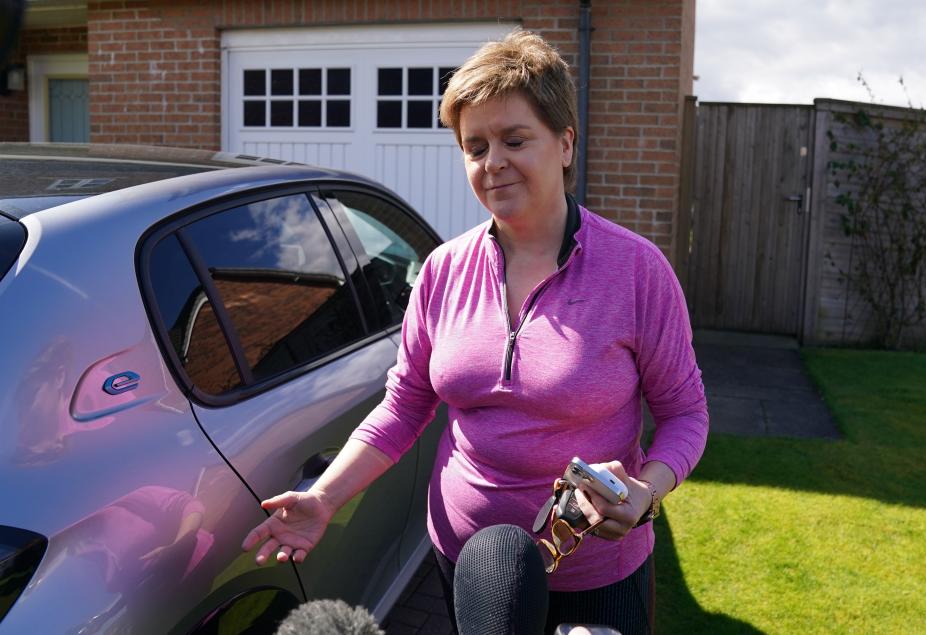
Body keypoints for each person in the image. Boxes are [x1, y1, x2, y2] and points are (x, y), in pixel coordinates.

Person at [242, 29, 708, 634]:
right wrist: (324, 497)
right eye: (475, 146)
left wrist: (646, 492)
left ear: (565, 143)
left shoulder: (637, 271)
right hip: (470, 563)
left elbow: (686, 414)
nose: (493, 163)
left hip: (596, 569)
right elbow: (405, 405)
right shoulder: (442, 270)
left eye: (515, 139)